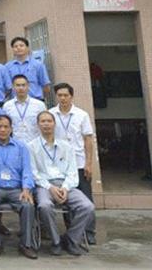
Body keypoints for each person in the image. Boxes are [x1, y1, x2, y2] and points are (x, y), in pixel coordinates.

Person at [28, 111, 95, 256]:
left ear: (54, 124)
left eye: (49, 121)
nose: (46, 124)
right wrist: (50, 188)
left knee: (88, 206)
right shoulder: (31, 147)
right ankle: (56, 240)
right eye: (43, 121)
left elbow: (72, 172)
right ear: (38, 125)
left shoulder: (66, 146)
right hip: (44, 186)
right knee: (44, 206)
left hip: (66, 185)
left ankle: (71, 238)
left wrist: (65, 187)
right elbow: (34, 173)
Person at [0, 114, 38, 259]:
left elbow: (27, 170)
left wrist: (26, 190)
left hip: (16, 189)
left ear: (11, 128)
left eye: (6, 126)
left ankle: (26, 244)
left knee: (28, 205)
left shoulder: (21, 147)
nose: (2, 129)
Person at [49, 82, 97, 244]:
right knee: (65, 198)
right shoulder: (51, 114)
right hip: (60, 166)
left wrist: (89, 163)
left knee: (86, 199)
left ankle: (89, 232)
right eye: (60, 95)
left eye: (66, 95)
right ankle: (72, 232)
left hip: (79, 163)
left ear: (72, 96)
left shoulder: (81, 115)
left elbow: (88, 140)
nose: (63, 98)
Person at [3, 75, 46, 144]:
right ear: (13, 87)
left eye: (23, 85)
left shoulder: (39, 105)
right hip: (15, 144)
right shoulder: (7, 106)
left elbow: (44, 126)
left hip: (35, 145)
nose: (21, 88)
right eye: (18, 85)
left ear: (28, 86)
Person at [5, 37, 51, 101]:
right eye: (15, 46)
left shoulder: (38, 64)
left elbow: (46, 86)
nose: (18, 48)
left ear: (27, 48)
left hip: (35, 101)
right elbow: (7, 88)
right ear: (12, 49)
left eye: (21, 45)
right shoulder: (7, 67)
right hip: (16, 103)